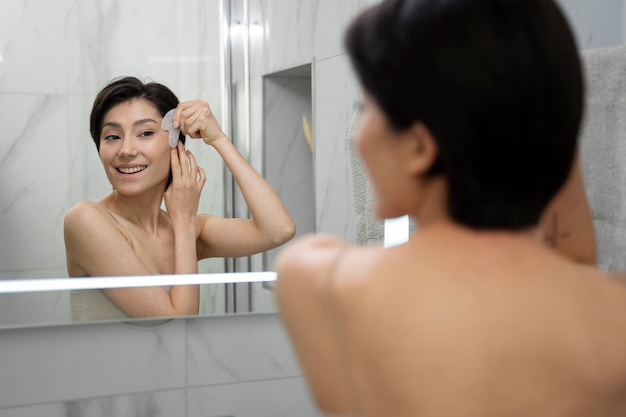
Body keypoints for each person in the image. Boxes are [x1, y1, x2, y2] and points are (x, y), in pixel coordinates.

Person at [274, 0, 626, 416]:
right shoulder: (609, 316)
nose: (357, 137)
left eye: (367, 109)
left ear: (420, 147)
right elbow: (576, 260)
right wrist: (542, 121)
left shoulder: (321, 282)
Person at [64, 76, 295, 319]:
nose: (126, 150)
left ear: (175, 144)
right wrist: (185, 224)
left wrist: (218, 139)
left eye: (145, 133)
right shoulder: (85, 220)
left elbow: (279, 229)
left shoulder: (187, 228)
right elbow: (176, 327)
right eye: (112, 136)